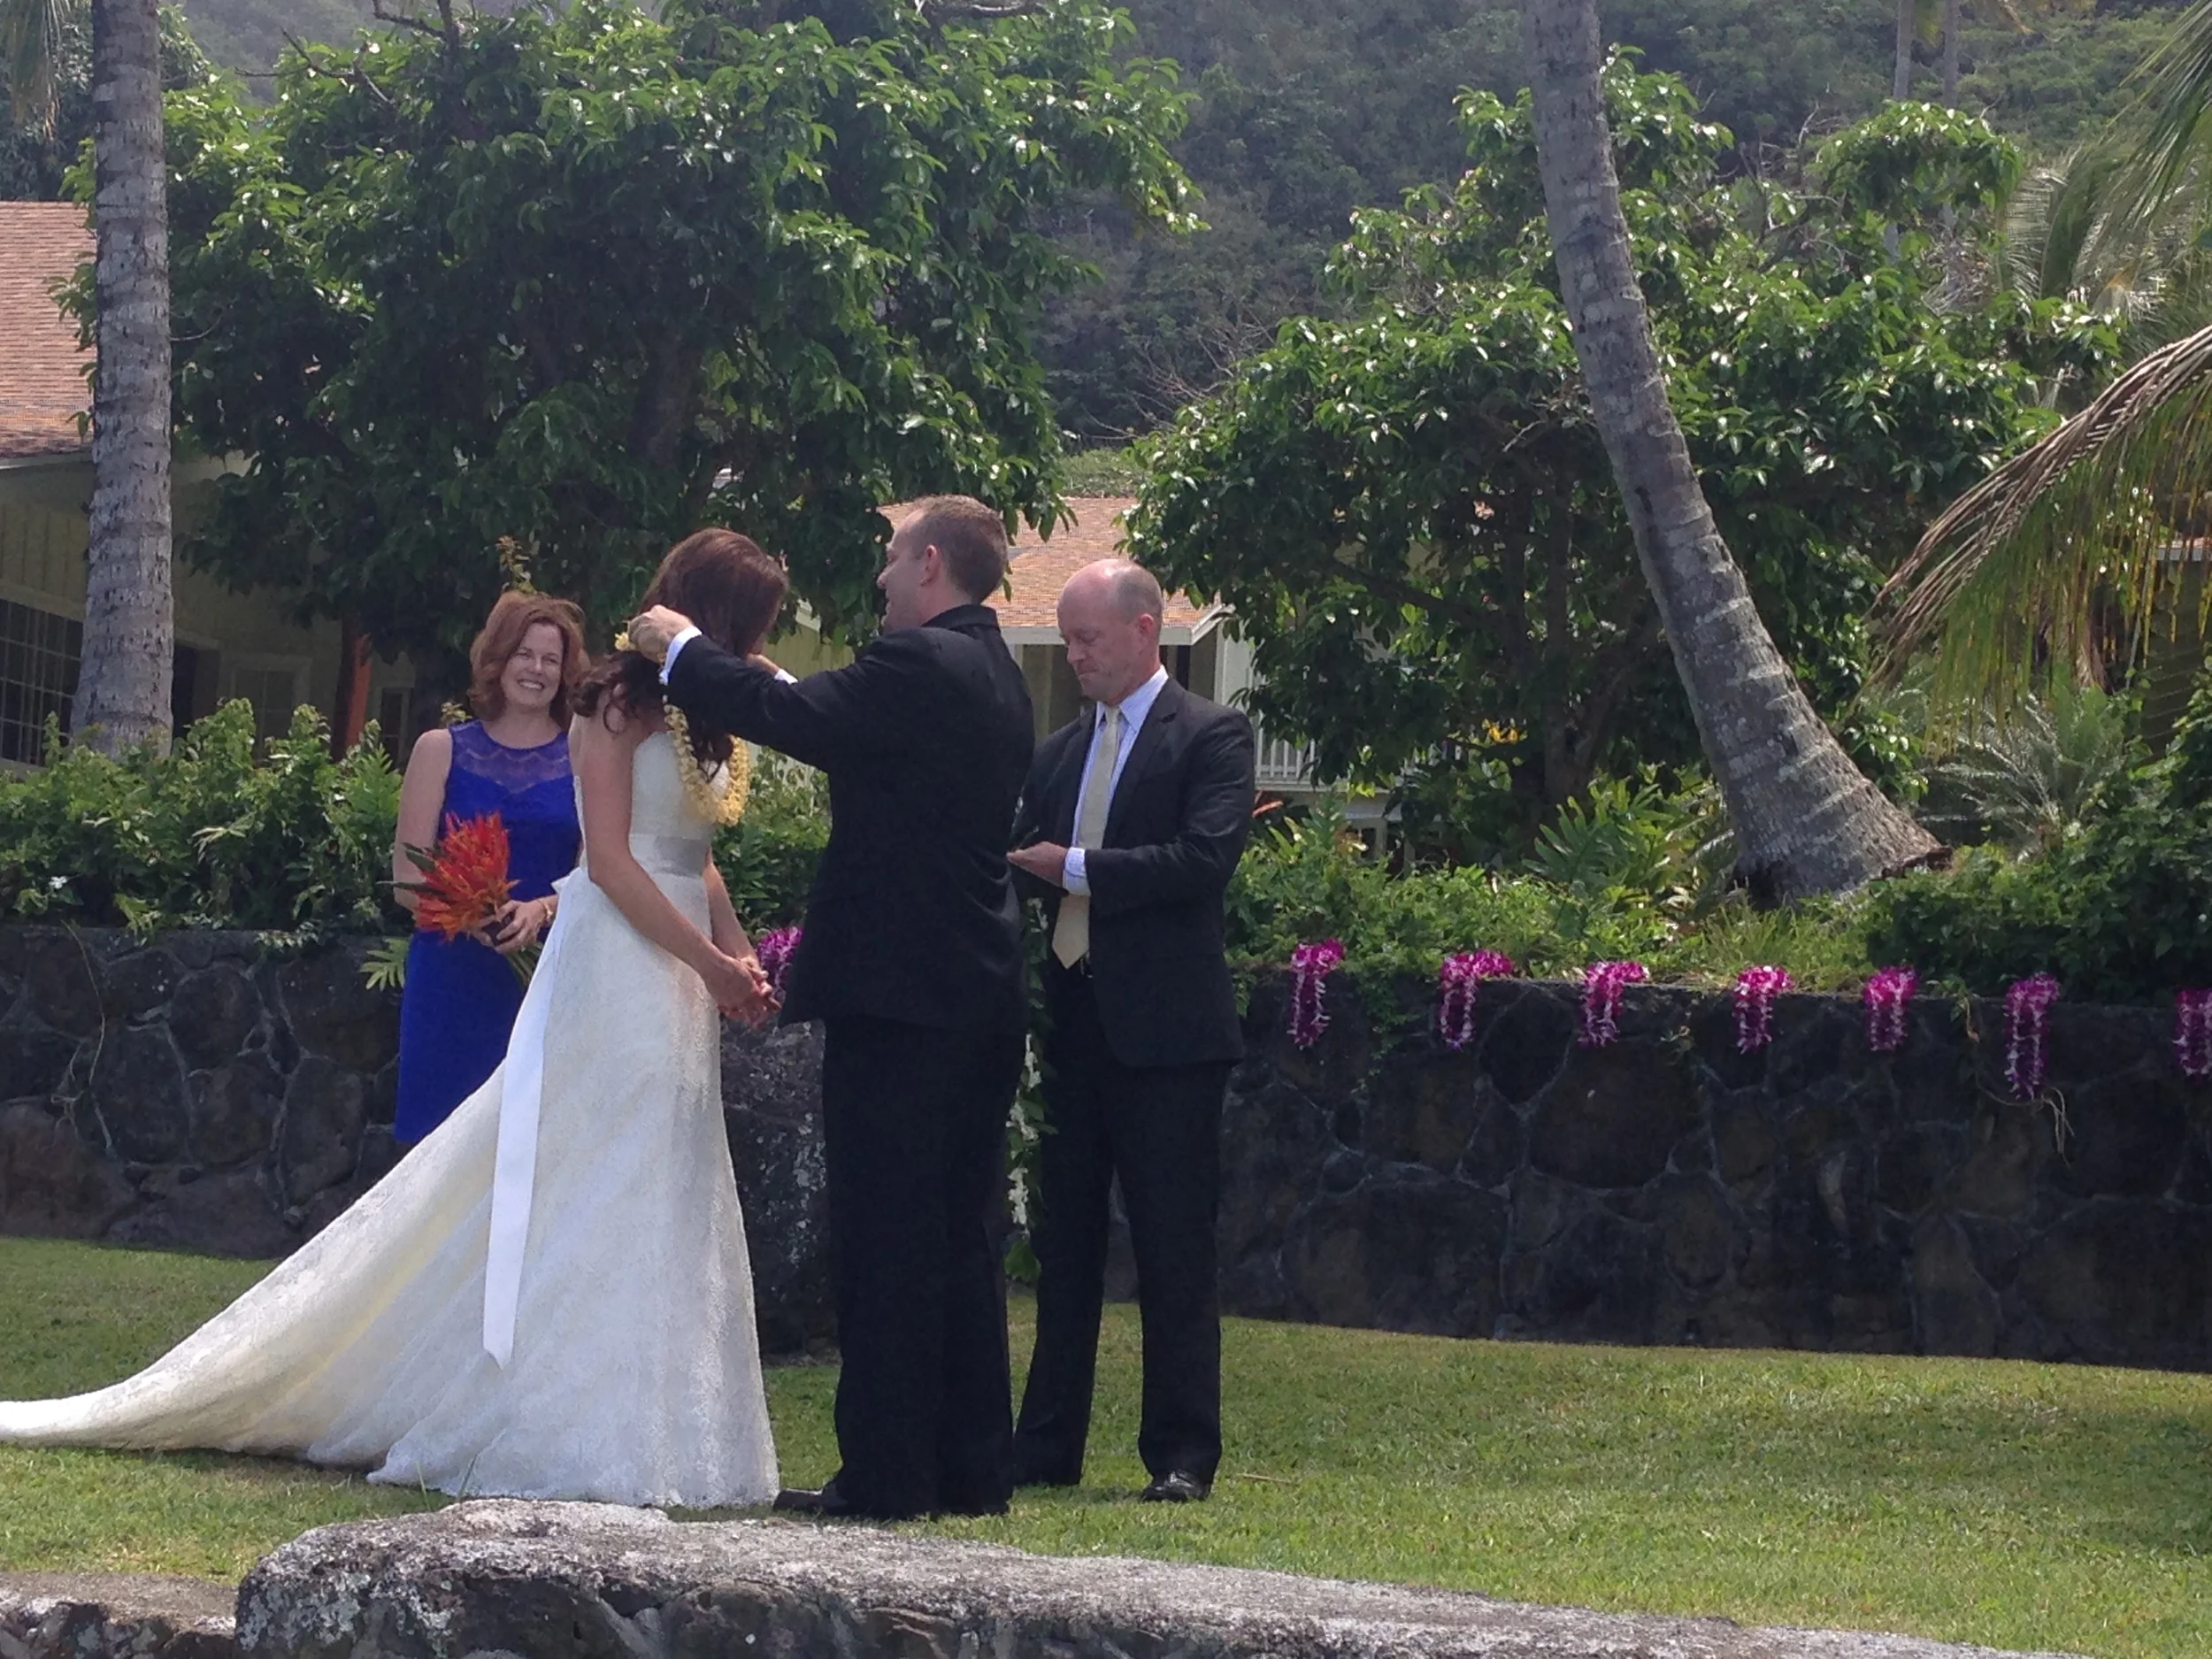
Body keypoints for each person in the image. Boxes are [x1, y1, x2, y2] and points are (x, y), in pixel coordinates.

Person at [0, 532, 787, 1509]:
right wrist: (707, 963)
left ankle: (668, 1425)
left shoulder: (703, 707)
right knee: (590, 1169)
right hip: (622, 958)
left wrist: (740, 954)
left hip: (680, 968)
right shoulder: (615, 704)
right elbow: (616, 864)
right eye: (749, 621)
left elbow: (693, 855)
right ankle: (545, 1408)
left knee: (663, 1168)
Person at [627, 495, 1034, 1521]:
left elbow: (801, 724)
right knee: (960, 1239)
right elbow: (849, 723)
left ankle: (890, 1474)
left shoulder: (920, 665)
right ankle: (969, 1467)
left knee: (887, 1236)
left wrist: (680, 650)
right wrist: (772, 678)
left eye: (895, 561)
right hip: (973, 994)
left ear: (932, 564)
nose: (884, 579)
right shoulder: (992, 671)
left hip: (900, 999)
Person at [1006, 558, 1256, 1503]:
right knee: (1064, 1247)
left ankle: (1182, 1453)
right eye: (1066, 640)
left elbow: (1201, 859)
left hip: (1167, 1040)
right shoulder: (1062, 749)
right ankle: (1046, 1444)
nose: (1073, 656)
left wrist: (1073, 867)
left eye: (1088, 639)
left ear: (1145, 629)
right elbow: (1019, 854)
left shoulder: (1211, 734)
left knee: (1171, 1248)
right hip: (1072, 1025)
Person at [392, 592, 586, 1146]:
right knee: (437, 1143)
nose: (537, 670)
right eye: (525, 654)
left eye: (551, 660)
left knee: (527, 1144)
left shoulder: (583, 759)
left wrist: (542, 911)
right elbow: (407, 876)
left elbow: (599, 872)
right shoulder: (440, 750)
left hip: (543, 976)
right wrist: (467, 913)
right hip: (451, 971)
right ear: (498, 660)